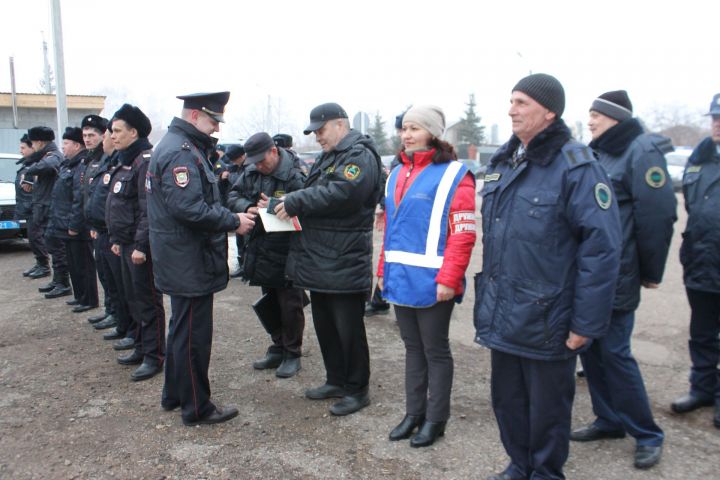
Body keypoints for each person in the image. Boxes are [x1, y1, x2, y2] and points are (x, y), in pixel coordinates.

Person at [473, 73, 622, 480]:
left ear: (549, 110)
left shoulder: (576, 166)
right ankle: (519, 466)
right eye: (511, 101)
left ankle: (544, 473)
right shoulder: (504, 161)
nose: (511, 110)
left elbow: (602, 249)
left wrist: (585, 323)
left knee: (548, 412)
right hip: (506, 312)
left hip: (550, 317)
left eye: (521, 102)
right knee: (507, 401)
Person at [570, 90, 676, 469]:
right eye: (590, 114)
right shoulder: (597, 152)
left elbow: (658, 215)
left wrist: (651, 271)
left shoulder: (639, 150)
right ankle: (609, 419)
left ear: (616, 118)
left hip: (618, 272)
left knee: (614, 353)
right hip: (589, 274)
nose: (591, 120)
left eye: (597, 114)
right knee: (591, 350)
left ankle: (647, 433)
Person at [147, 91, 255, 426]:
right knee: (194, 335)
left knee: (181, 327)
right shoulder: (181, 152)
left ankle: (175, 394)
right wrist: (233, 221)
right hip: (187, 259)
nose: (215, 129)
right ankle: (197, 406)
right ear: (195, 116)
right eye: (212, 121)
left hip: (181, 257)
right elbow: (188, 208)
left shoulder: (182, 146)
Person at [273, 102, 382, 416]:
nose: (317, 137)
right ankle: (336, 379)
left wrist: (297, 201)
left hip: (344, 256)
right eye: (314, 132)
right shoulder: (330, 155)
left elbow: (345, 193)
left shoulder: (359, 155)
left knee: (348, 328)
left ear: (339, 125)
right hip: (321, 257)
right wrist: (285, 202)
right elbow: (318, 191)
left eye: (320, 130)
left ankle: (357, 389)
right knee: (325, 325)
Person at [377, 105, 476, 447]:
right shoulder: (396, 174)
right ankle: (413, 413)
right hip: (401, 276)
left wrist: (450, 278)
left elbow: (462, 234)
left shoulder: (454, 174)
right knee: (412, 348)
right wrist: (381, 270)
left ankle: (436, 419)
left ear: (433, 133)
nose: (406, 135)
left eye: (415, 128)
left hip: (436, 282)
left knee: (435, 350)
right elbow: (392, 228)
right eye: (404, 128)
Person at [227, 132, 307, 378]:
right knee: (269, 300)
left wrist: (271, 206)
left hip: (288, 248)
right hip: (261, 246)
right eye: (254, 162)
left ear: (274, 151)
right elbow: (232, 195)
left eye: (262, 161)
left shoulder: (295, 173)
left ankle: (292, 352)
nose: (259, 166)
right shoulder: (251, 172)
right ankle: (278, 345)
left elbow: (306, 204)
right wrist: (248, 207)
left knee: (290, 303)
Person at [106, 104, 165, 381]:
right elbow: (120, 204)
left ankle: (154, 356)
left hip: (140, 247)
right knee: (134, 299)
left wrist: (141, 245)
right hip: (126, 243)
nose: (112, 136)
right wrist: (118, 240)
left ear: (134, 132)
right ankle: (142, 348)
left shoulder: (144, 161)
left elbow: (147, 209)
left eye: (117, 131)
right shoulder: (125, 159)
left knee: (148, 301)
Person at [671, 92, 720, 429]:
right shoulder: (701, 158)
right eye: (715, 117)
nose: (717, 123)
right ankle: (702, 388)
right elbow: (692, 204)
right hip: (702, 260)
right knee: (701, 333)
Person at [365, 112, 405, 318]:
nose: (402, 134)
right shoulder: (401, 158)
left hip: (408, 218)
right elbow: (390, 185)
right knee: (387, 254)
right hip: (394, 213)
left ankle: (388, 301)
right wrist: (384, 205)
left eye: (407, 128)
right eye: (401, 129)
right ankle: (380, 300)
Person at [25, 126, 64, 290]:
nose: (32, 147)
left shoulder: (52, 156)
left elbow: (48, 165)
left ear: (40, 142)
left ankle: (62, 283)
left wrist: (29, 168)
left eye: (32, 143)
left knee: (57, 249)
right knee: (52, 247)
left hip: (52, 210)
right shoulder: (44, 156)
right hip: (45, 209)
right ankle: (58, 281)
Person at [17, 134, 41, 277]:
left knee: (35, 237)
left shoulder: (36, 166)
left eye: (23, 147)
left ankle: (43, 265)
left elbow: (35, 188)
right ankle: (40, 263)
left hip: (33, 207)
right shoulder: (27, 164)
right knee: (32, 238)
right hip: (27, 207)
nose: (21, 151)